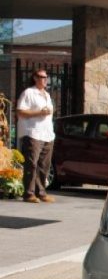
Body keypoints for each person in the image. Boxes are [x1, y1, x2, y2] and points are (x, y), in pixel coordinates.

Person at [16, 70, 56, 203]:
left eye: (46, 77)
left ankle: (41, 192)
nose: (45, 79)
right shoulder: (28, 93)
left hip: (47, 134)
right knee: (32, 164)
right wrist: (39, 112)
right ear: (34, 78)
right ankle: (28, 194)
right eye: (41, 77)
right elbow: (20, 111)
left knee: (44, 164)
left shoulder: (47, 95)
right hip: (32, 133)